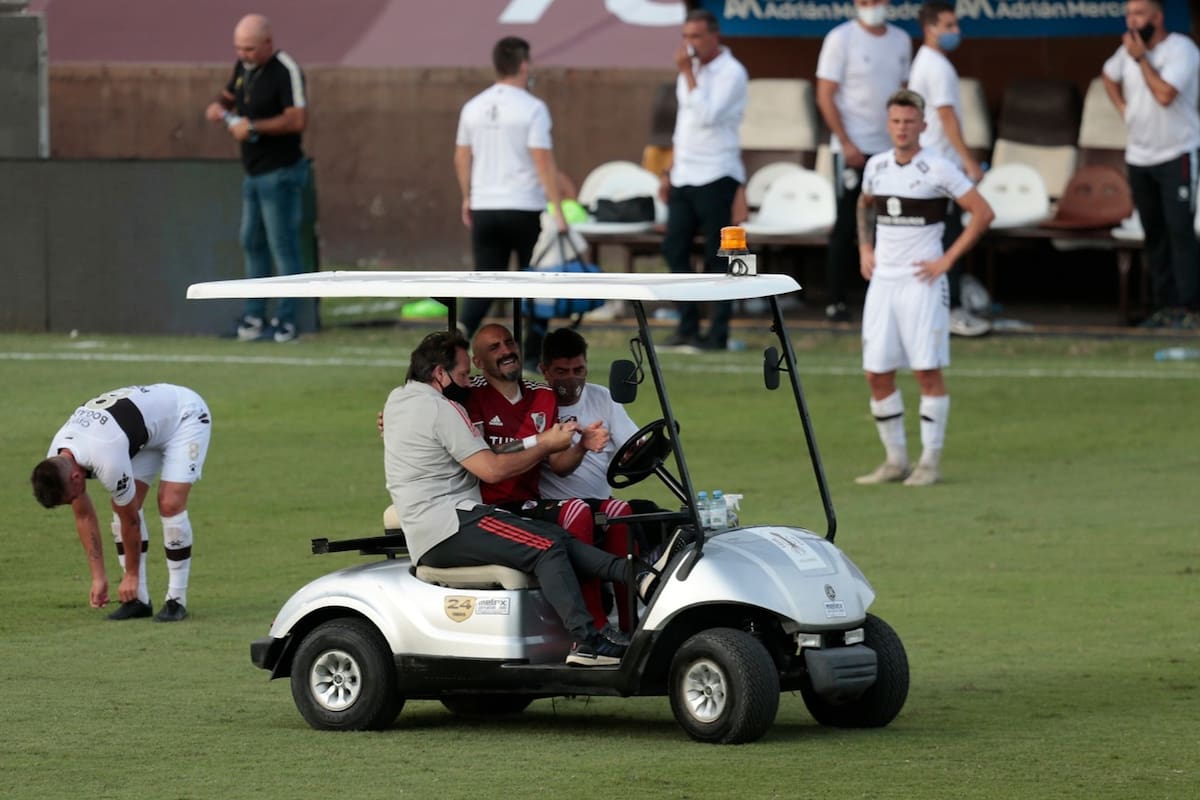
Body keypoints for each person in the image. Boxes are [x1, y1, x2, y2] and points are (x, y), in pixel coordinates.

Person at [382, 331, 632, 666]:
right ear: (439, 374)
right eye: (461, 375)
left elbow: (488, 451)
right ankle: (588, 641)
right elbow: (493, 469)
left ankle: (635, 574)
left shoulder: (399, 399)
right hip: (449, 523)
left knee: (555, 536)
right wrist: (543, 444)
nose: (467, 383)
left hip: (452, 518)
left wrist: (538, 442)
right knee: (547, 547)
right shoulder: (443, 409)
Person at [855, 90, 994, 487]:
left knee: (926, 371)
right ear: (888, 125)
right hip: (883, 282)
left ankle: (929, 462)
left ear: (923, 126)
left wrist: (946, 261)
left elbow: (983, 212)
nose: (902, 129)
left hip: (922, 283)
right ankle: (895, 460)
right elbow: (864, 204)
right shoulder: (877, 166)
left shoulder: (938, 168)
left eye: (909, 122)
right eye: (896, 122)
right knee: (876, 373)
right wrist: (866, 247)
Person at [463, 324, 628, 641]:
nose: (506, 351)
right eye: (494, 347)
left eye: (509, 342)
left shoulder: (542, 394)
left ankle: (629, 625)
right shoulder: (471, 393)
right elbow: (483, 455)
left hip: (529, 502)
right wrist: (538, 441)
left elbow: (558, 464)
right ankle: (594, 626)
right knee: (576, 512)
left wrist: (580, 446)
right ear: (478, 362)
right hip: (486, 508)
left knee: (621, 510)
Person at [30, 384, 212, 621]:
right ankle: (138, 601)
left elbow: (131, 521)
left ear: (76, 477)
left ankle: (176, 600)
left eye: (72, 497)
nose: (75, 500)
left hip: (184, 417)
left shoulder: (105, 458)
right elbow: (83, 516)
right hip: (144, 432)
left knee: (169, 503)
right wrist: (98, 578)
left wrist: (131, 576)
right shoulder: (56, 461)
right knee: (123, 504)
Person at [455, 37, 566, 369]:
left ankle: (458, 338)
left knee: (487, 277)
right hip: (524, 204)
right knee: (535, 281)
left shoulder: (473, 106)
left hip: (486, 205)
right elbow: (543, 161)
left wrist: (467, 196)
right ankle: (532, 353)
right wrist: (557, 209)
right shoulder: (532, 107)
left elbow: (461, 156)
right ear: (524, 65)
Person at [205, 13, 310, 344]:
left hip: (280, 172)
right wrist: (219, 107)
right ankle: (254, 315)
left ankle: (287, 319)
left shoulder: (285, 70)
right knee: (251, 240)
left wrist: (251, 126)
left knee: (283, 245)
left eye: (249, 49)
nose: (243, 55)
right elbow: (229, 95)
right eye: (238, 48)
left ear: (268, 43)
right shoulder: (243, 67)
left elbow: (297, 120)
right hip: (252, 172)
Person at [1101, 0, 1200, 329]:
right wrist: (1123, 109)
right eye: (1128, 14)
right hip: (1139, 156)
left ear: (1157, 17)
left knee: (1180, 231)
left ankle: (1188, 308)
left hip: (1177, 153)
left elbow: (1165, 95)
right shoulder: (1126, 51)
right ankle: (1165, 305)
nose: (1132, 20)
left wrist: (1141, 58)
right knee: (1154, 233)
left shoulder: (1181, 49)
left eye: (1139, 13)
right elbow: (1108, 75)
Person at [816, 0, 911, 324]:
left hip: (889, 150)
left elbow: (903, 94)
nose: (872, 7)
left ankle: (888, 298)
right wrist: (845, 141)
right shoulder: (840, 38)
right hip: (852, 149)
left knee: (889, 224)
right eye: (865, 2)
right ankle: (837, 300)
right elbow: (825, 94)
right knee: (846, 225)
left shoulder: (900, 39)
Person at [659, 9, 748, 351]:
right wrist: (670, 169)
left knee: (719, 256)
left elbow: (709, 115)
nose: (689, 44)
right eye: (685, 37)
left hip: (718, 173)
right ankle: (688, 326)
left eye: (695, 37)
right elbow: (685, 125)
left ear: (714, 36)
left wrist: (686, 72)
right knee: (674, 249)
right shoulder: (689, 72)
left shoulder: (733, 72)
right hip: (685, 174)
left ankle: (719, 332)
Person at [907, 1, 991, 338]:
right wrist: (968, 161)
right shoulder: (937, 65)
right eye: (950, 26)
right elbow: (946, 117)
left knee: (941, 238)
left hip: (932, 163)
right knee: (947, 238)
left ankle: (943, 306)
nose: (957, 32)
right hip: (939, 165)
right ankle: (951, 308)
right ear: (930, 28)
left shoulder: (926, 61)